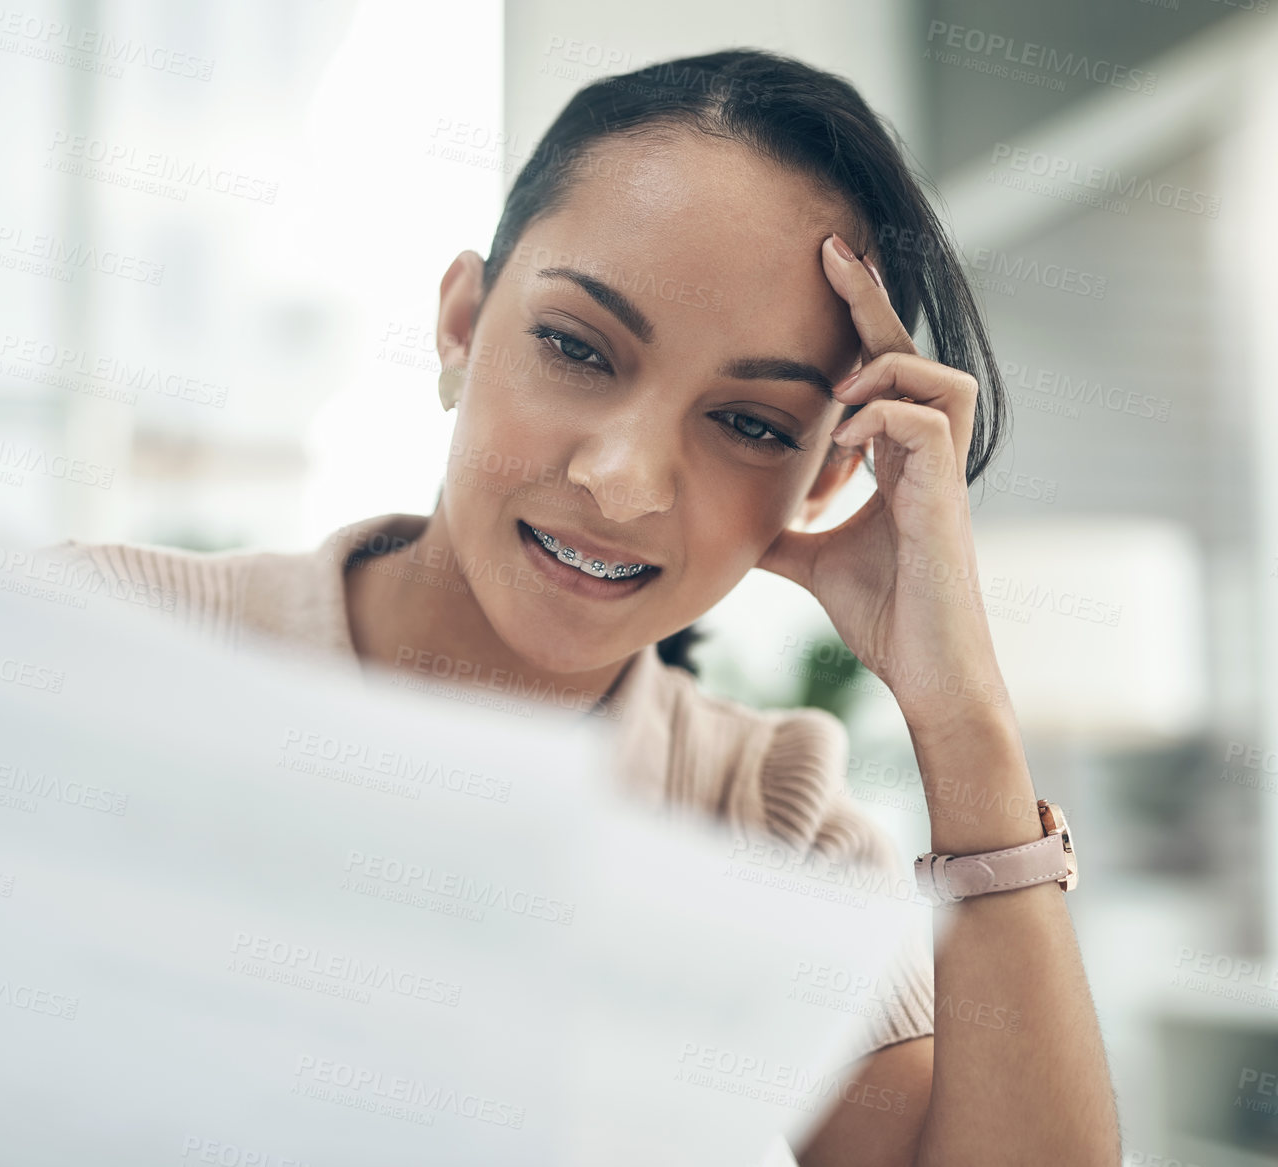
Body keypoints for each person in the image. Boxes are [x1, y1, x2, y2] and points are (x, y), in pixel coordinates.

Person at [67, 47, 1120, 1165]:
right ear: (463, 326)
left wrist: (961, 714)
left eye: (752, 423)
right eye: (577, 347)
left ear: (821, 480)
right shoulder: (101, 639)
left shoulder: (768, 823)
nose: (623, 480)